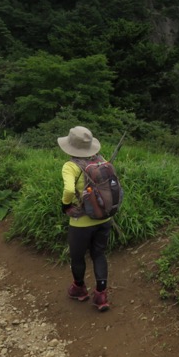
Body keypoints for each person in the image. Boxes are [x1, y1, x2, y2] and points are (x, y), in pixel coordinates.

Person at [58, 126, 113, 311]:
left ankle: (79, 289)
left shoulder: (70, 166)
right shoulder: (101, 160)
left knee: (77, 257)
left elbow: (67, 190)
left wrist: (66, 205)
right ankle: (101, 295)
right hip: (104, 218)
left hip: (81, 222)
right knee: (99, 254)